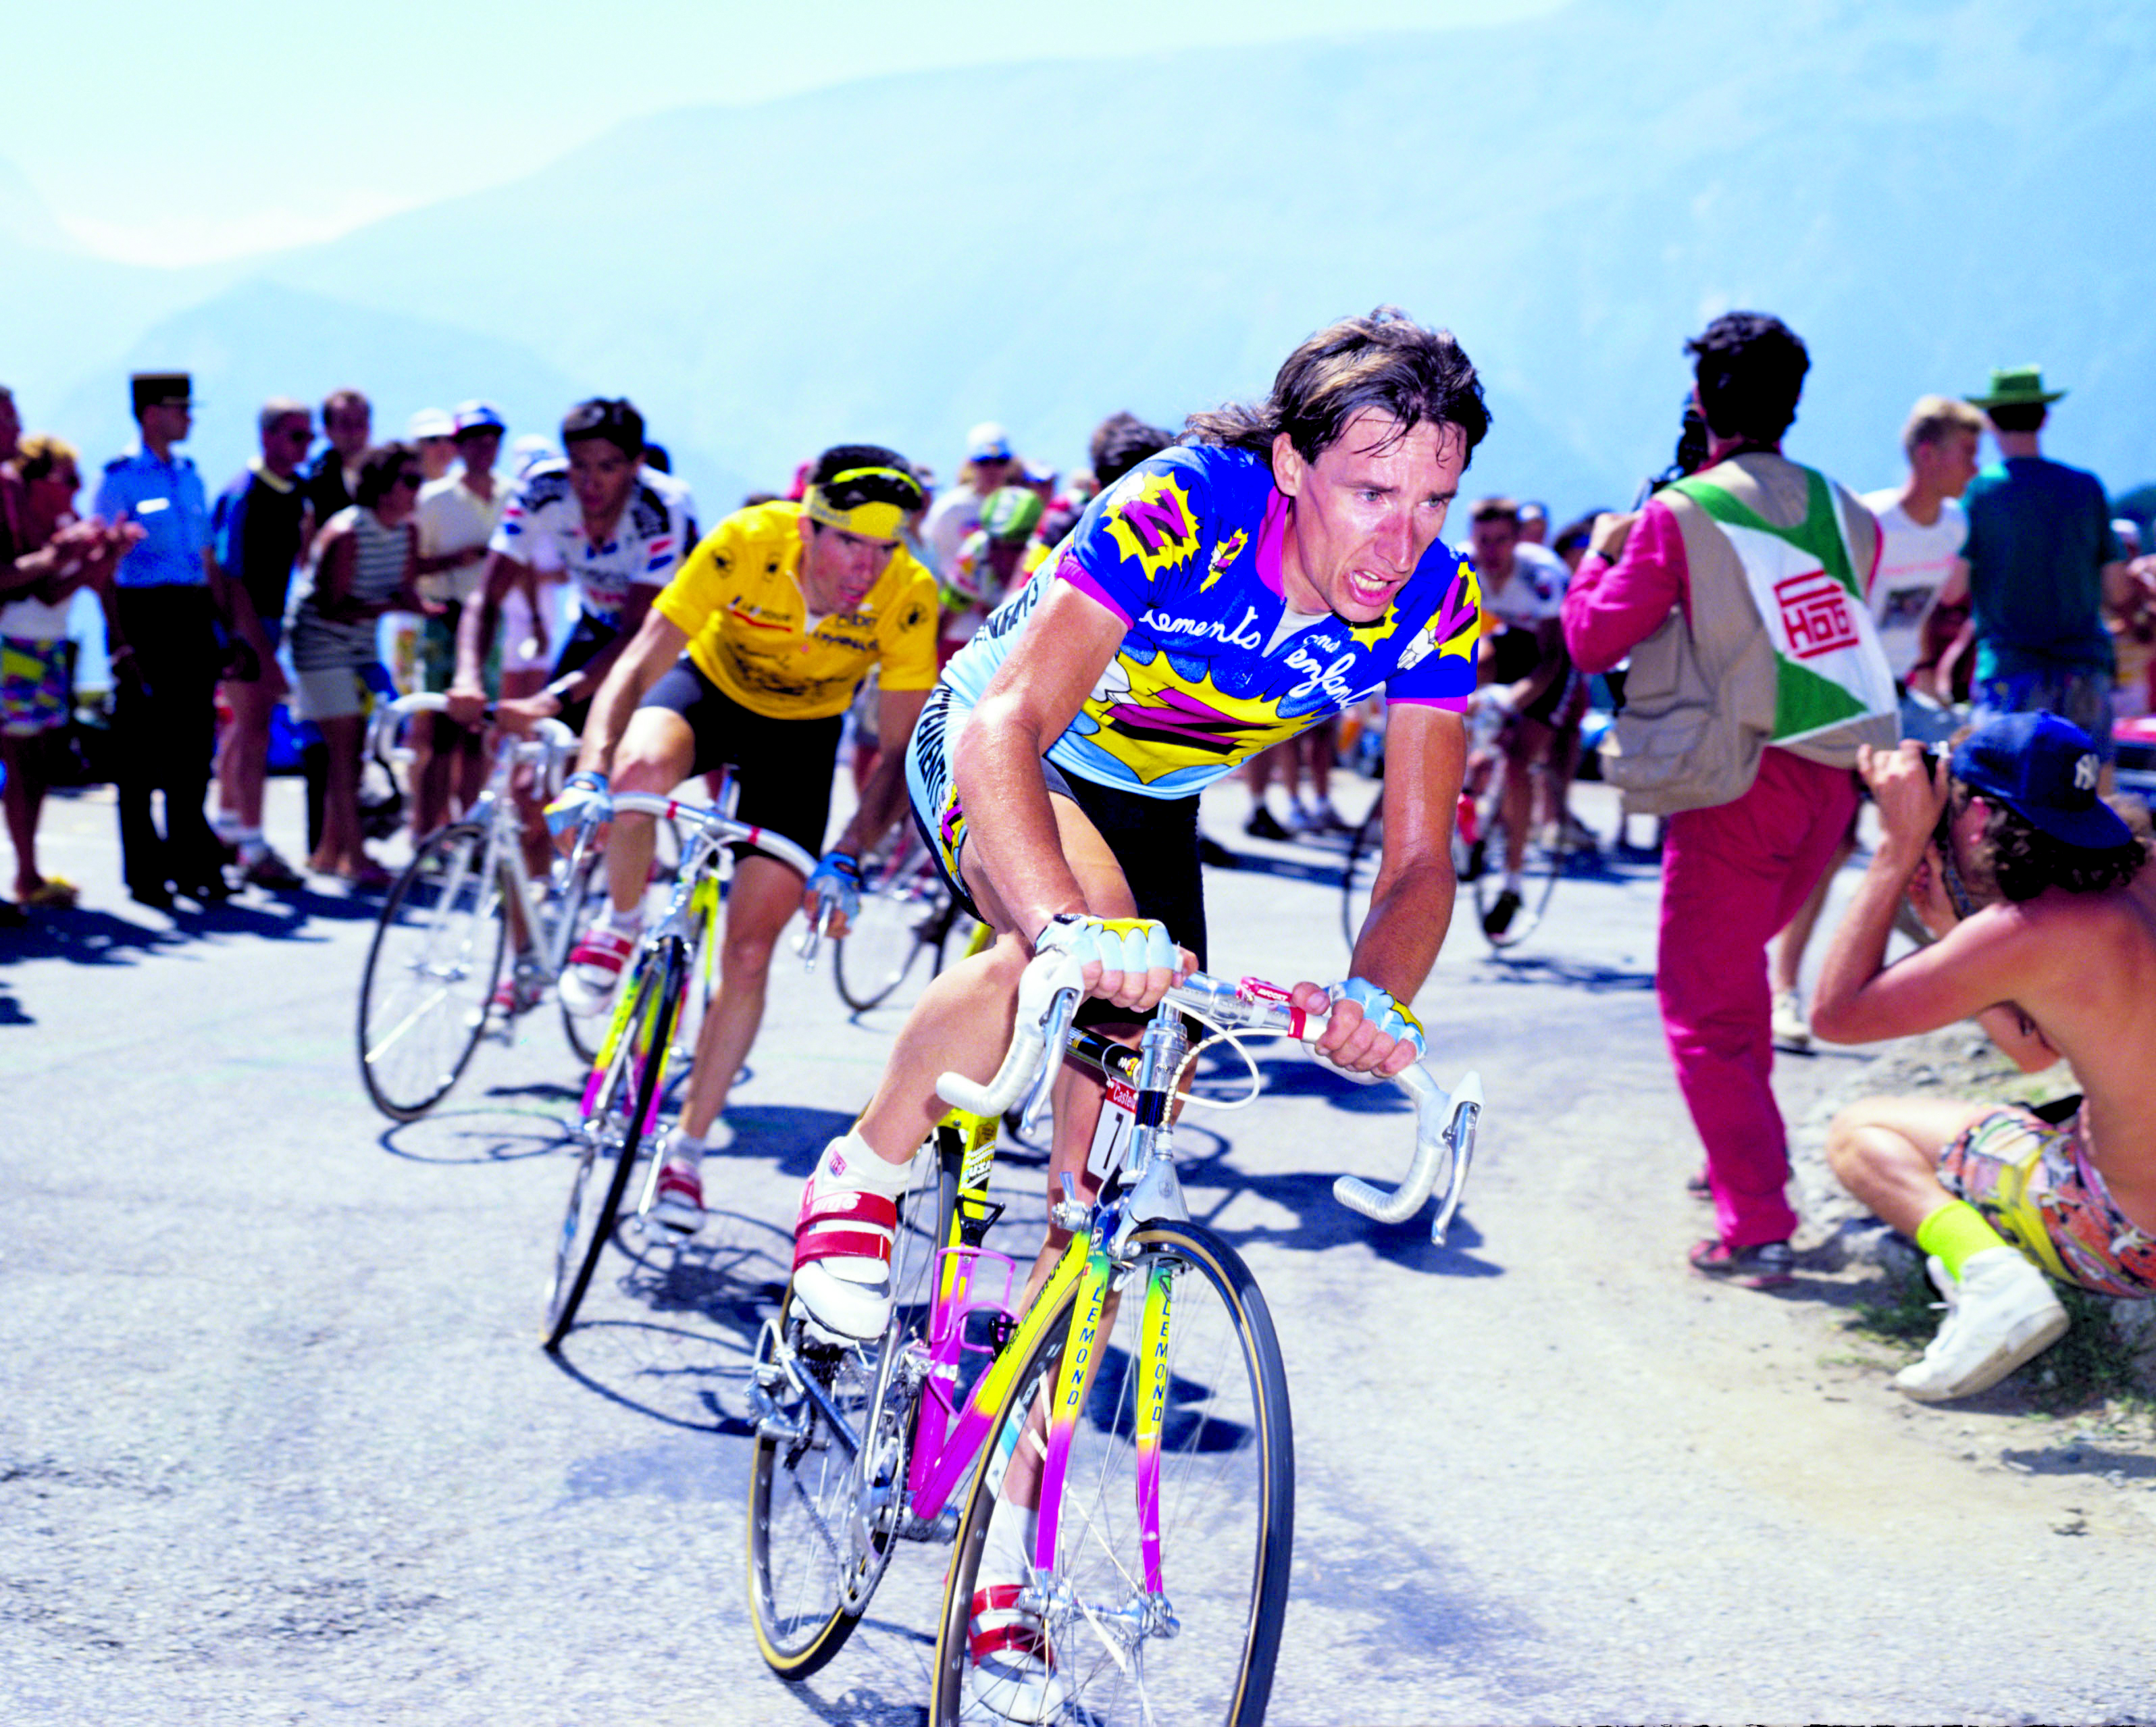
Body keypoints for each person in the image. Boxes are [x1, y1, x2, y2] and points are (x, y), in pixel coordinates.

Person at [781, 311, 1487, 1710]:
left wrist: (1375, 999)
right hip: (1009, 745)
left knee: (1096, 1214)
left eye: (1433, 500)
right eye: (1371, 491)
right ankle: (859, 1170)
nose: (1401, 538)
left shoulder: (1439, 605)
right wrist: (1061, 928)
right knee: (1068, 954)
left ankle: (1003, 1570)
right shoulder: (1185, 505)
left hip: (1154, 805)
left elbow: (1419, 859)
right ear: (1292, 466)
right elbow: (1006, 727)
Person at [1563, 312, 1896, 1288]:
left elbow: (1591, 639)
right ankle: (1740, 1166)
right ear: (1793, 399)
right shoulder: (1850, 512)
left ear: (1703, 400)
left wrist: (1601, 552)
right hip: (1833, 781)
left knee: (1704, 1009)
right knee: (1737, 986)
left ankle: (1757, 1223)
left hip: (1734, 782)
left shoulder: (1682, 512)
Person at [539, 447, 939, 1231]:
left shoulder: (909, 594)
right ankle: (619, 923)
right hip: (709, 693)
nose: (867, 568)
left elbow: (899, 750)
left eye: (884, 548)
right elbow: (638, 663)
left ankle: (686, 1153)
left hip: (801, 740)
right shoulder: (747, 540)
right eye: (849, 543)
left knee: (751, 953)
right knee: (639, 775)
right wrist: (589, 773)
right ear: (808, 527)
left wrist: (848, 854)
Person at [1816, 713, 2156, 1401]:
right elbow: (2036, 1052)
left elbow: (1834, 1015)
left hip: (2125, 1234)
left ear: (1976, 817)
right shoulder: (2140, 874)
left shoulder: (2028, 929)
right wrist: (1951, 928)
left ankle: (1991, 1280)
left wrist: (1897, 847)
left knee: (1859, 1132)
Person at [1768, 393, 1986, 1048]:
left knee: (1947, 815)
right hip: (1842, 699)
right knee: (1831, 844)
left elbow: (1938, 606)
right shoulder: (1870, 521)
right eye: (1966, 452)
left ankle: (1966, 970)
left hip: (1896, 697)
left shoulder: (1953, 526)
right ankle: (1784, 990)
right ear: (1928, 454)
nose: (1976, 466)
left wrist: (1929, 674)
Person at [94, 371, 280, 910]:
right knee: (139, 754)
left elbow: (207, 559)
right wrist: (119, 642)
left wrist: (227, 629)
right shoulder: (120, 480)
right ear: (152, 413)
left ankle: (193, 861)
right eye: (180, 408)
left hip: (191, 614)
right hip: (143, 613)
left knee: (193, 747)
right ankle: (146, 872)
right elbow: (104, 568)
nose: (189, 418)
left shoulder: (190, 477)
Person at [451, 398, 694, 744]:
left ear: (637, 464)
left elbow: (637, 630)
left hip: (665, 636)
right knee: (544, 758)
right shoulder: (543, 489)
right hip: (596, 622)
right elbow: (487, 596)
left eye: (607, 467)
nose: (590, 483)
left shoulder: (659, 508)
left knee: (619, 752)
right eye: (579, 465)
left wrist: (550, 700)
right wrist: (467, 677)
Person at [1959, 367, 2131, 757]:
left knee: (2004, 786)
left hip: (2009, 668)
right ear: (2045, 418)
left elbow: (1953, 588)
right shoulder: (2086, 487)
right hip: (2083, 667)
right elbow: (2118, 589)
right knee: (2092, 784)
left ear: (1990, 422)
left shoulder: (1980, 493)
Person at [284, 442, 429, 885]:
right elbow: (331, 606)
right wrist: (391, 607)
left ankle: (330, 852)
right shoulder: (347, 531)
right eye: (410, 481)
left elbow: (403, 590)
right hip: (320, 644)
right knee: (346, 752)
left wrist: (421, 607)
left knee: (354, 753)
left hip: (361, 648)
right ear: (383, 487)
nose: (417, 490)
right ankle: (356, 857)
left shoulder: (407, 531)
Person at [1, 426, 129, 911]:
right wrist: (69, 557)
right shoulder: (21, 519)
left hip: (48, 643)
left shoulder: (61, 522)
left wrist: (104, 555)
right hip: (15, 643)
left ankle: (28, 871)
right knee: (20, 763)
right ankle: (26, 872)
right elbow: (43, 589)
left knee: (36, 765)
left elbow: (74, 587)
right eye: (68, 478)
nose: (76, 487)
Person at [1465, 495, 1587, 928]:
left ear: (1518, 540)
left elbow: (1551, 659)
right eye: (1483, 540)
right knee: (1460, 679)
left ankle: (1512, 884)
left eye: (1502, 541)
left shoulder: (1542, 575)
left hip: (1555, 654)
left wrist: (1511, 701)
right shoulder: (1464, 565)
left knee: (1519, 759)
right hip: (1513, 638)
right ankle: (1467, 798)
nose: (1492, 551)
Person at [208, 399, 313, 890]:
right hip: (243, 628)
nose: (305, 447)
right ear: (268, 437)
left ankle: (228, 827)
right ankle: (252, 844)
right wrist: (259, 651)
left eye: (309, 437)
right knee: (254, 733)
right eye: (296, 436)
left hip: (272, 619)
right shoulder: (244, 493)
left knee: (243, 728)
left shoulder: (296, 491)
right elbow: (231, 577)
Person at [407, 402, 509, 841]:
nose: (483, 448)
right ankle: (428, 832)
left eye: (491, 439)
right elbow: (410, 564)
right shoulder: (433, 499)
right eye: (473, 440)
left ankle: (470, 833)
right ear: (459, 446)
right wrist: (457, 560)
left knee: (478, 736)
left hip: (495, 622)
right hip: (445, 618)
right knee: (441, 735)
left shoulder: (513, 495)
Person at [937, 484, 1044, 666]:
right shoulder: (977, 549)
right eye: (995, 547)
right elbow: (947, 614)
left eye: (1015, 549)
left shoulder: (1042, 556)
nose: (1004, 559)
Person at [920, 421, 1017, 576]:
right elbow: (927, 553)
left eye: (1001, 461)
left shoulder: (1017, 505)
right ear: (971, 464)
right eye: (984, 462)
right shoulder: (951, 507)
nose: (992, 469)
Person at [304, 389, 372, 534]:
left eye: (360, 423)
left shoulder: (391, 473)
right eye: (345, 424)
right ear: (327, 430)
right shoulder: (315, 479)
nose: (354, 432)